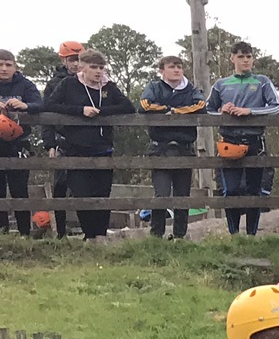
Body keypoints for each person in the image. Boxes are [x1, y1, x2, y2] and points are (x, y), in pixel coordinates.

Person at [40, 47, 134, 240]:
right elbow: (49, 106)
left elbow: (128, 106)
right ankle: (90, 235)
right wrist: (80, 110)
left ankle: (100, 236)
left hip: (102, 149)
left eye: (101, 67)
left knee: (102, 195)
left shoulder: (108, 87)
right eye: (93, 67)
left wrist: (100, 112)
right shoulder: (68, 84)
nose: (98, 71)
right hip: (76, 149)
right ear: (82, 67)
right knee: (82, 195)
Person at [206, 42, 279, 235]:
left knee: (254, 192)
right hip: (229, 143)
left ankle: (251, 235)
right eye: (241, 56)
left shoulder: (262, 81)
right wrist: (222, 112)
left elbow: (277, 107)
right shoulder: (220, 84)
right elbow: (206, 111)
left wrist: (250, 111)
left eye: (249, 56)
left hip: (254, 142)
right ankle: (234, 235)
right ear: (232, 58)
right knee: (231, 191)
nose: (246, 60)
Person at [137, 54, 205, 239]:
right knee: (162, 194)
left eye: (179, 66)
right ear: (162, 70)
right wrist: (165, 110)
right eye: (172, 66)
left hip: (184, 147)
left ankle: (180, 237)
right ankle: (156, 236)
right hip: (160, 148)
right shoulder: (154, 87)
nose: (176, 70)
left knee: (182, 196)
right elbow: (144, 105)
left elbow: (201, 106)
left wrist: (175, 112)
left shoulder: (191, 89)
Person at [0, 49, 40, 236]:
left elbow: (41, 104)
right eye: (0, 65)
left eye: (8, 65)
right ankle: (2, 233)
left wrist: (26, 106)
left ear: (15, 67)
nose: (4, 68)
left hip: (18, 142)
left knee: (20, 190)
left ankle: (25, 233)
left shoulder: (25, 85)